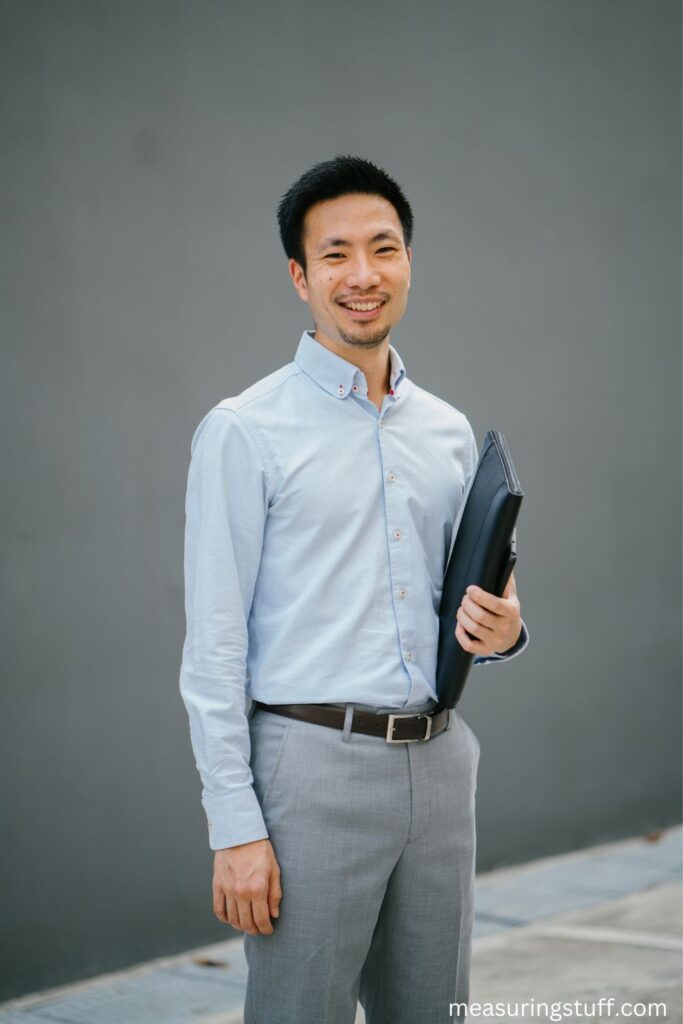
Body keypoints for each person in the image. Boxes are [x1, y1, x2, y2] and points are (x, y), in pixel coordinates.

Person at [179, 155, 528, 1024]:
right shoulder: (243, 431)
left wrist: (507, 628)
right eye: (336, 255)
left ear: (408, 260)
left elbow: (474, 590)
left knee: (435, 1011)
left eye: (384, 248)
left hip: (441, 765)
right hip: (310, 771)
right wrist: (235, 825)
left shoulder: (447, 431)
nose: (363, 275)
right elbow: (213, 646)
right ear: (299, 277)